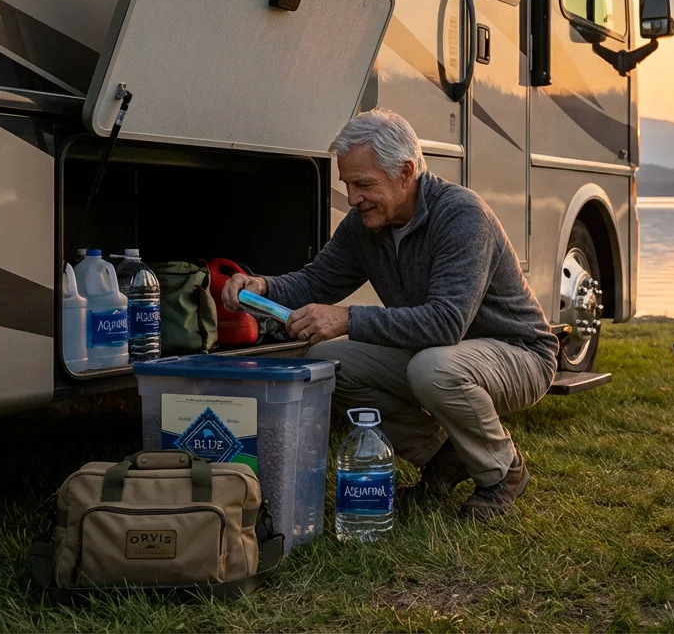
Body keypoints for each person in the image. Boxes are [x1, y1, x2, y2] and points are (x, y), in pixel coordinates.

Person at [222, 109, 559, 519]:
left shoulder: (462, 216)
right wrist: (262, 286)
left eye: (364, 184)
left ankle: (502, 470)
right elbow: (315, 282)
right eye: (348, 184)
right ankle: (441, 456)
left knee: (433, 368)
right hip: (442, 353)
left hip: (519, 353)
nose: (353, 198)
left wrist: (347, 318)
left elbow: (445, 323)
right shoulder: (363, 225)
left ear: (406, 171)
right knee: (329, 362)